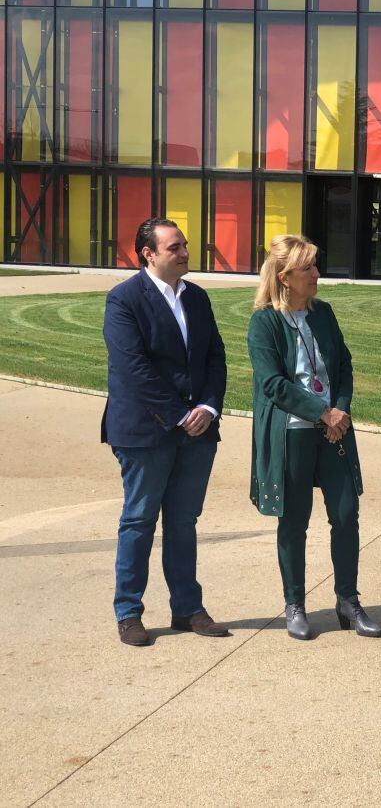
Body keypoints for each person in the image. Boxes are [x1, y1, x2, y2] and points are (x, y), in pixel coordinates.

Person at [247, 234, 381, 641]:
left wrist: (339, 410)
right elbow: (272, 383)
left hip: (333, 430)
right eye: (307, 268)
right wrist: (321, 412)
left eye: (315, 266)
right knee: (294, 521)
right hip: (292, 433)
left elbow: (343, 365)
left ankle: (348, 602)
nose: (316, 274)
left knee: (345, 514)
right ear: (285, 276)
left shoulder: (323, 313)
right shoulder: (264, 321)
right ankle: (295, 604)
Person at [102, 218, 229, 646]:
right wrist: (180, 415)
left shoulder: (197, 297)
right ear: (148, 253)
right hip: (146, 432)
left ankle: (187, 609)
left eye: (184, 245)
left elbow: (215, 357)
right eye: (175, 247)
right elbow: (132, 368)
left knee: (183, 522)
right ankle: (129, 613)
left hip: (197, 432)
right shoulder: (124, 299)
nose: (185, 253)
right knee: (139, 520)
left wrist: (207, 407)